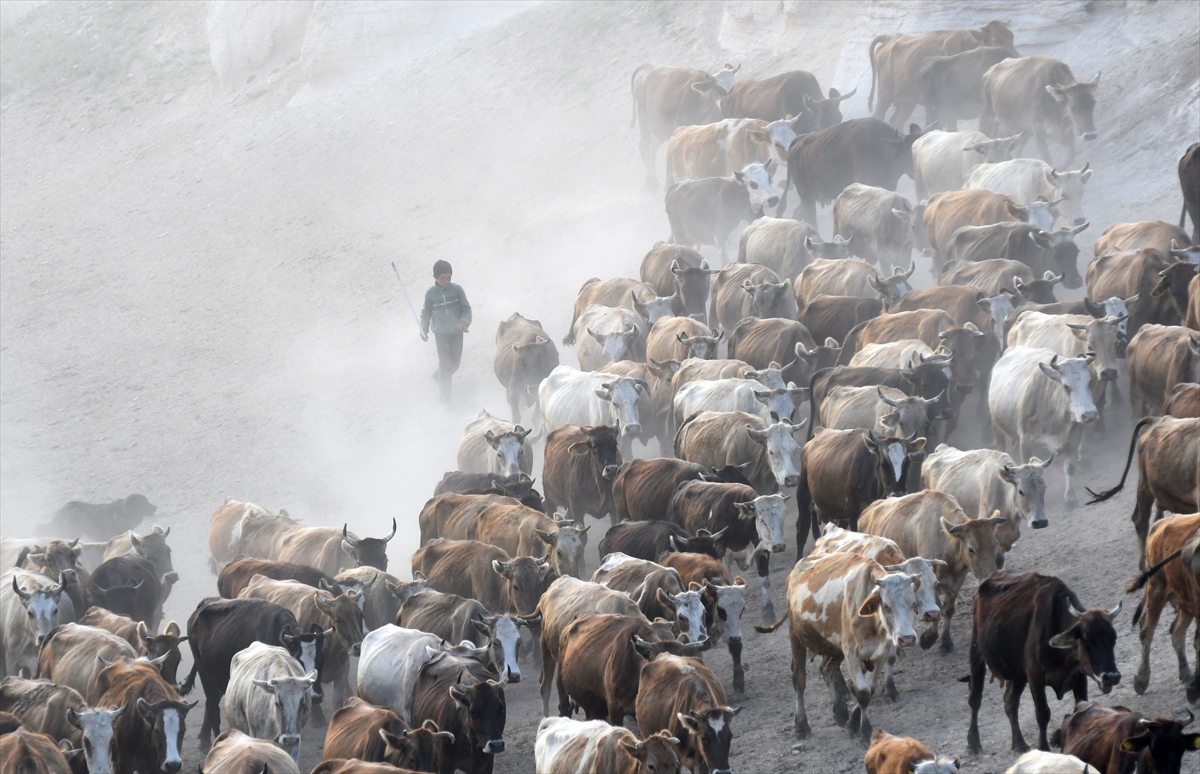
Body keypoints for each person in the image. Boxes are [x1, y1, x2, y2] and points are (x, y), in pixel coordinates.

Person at [419, 259, 472, 404]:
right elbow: (426, 313)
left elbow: (466, 309)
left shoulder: (457, 290)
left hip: (457, 333)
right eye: (442, 278)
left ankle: (439, 376)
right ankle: (445, 399)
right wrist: (423, 328)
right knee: (446, 366)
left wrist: (464, 322)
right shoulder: (430, 294)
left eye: (449, 277)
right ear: (435, 277)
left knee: (454, 366)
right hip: (441, 335)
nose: (446, 281)